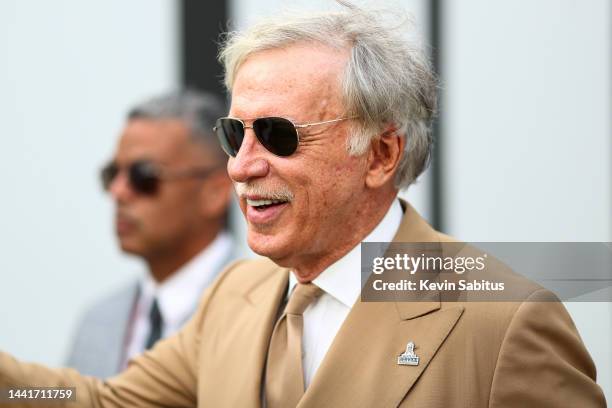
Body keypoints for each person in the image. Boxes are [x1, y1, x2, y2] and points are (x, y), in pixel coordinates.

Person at [0, 4, 606, 407]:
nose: (242, 166)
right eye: (235, 135)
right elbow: (102, 403)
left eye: (280, 135)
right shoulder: (234, 296)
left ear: (380, 154)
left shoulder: (503, 321)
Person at [66, 90, 235, 378]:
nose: (118, 192)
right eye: (112, 174)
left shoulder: (267, 310)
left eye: (143, 176)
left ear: (216, 192)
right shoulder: (98, 321)